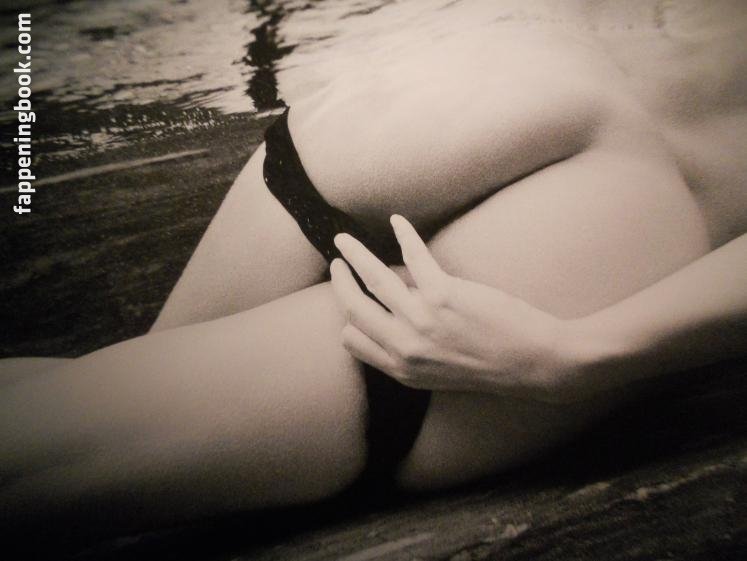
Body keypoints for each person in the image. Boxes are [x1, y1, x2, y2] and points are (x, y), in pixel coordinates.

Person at [1, 0, 746, 545]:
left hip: (455, 109)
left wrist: (577, 354)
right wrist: (579, 351)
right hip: (586, 192)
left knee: (65, 433)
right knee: (65, 441)